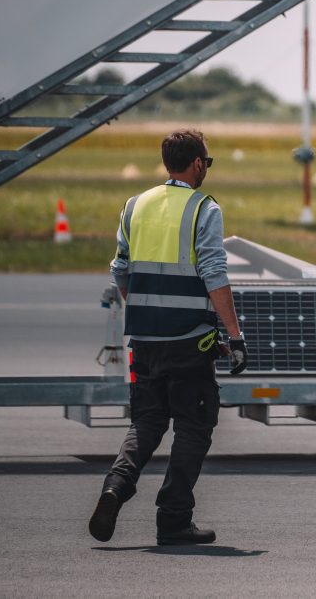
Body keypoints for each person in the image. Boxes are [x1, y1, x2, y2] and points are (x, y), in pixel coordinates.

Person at [89, 129, 248, 546]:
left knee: (147, 421)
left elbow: (119, 270)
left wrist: (143, 309)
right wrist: (235, 335)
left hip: (144, 339)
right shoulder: (203, 208)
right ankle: (173, 519)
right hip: (188, 339)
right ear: (197, 163)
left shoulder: (134, 205)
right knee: (194, 425)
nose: (206, 169)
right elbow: (214, 272)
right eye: (207, 162)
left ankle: (115, 488)